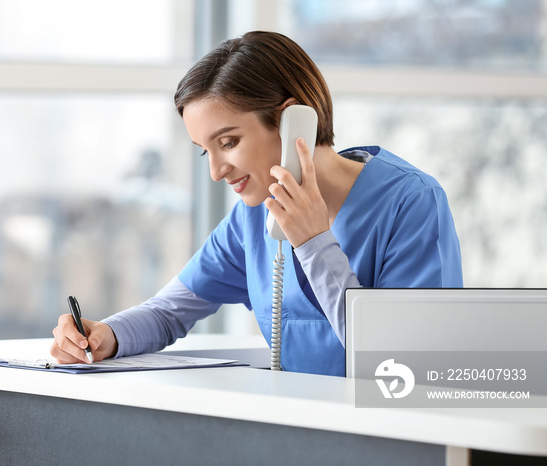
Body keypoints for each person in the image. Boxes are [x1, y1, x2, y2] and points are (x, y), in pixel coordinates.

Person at [50, 31, 463, 375]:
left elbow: (404, 363)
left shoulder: (411, 203)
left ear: (291, 121)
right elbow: (168, 312)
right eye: (203, 150)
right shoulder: (252, 217)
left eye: (228, 143)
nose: (216, 172)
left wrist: (314, 242)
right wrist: (107, 335)